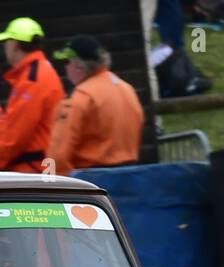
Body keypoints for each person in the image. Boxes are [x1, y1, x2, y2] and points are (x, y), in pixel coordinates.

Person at [47, 36, 144, 175]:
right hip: (129, 178)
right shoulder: (127, 89)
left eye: (67, 61)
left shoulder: (81, 96)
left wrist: (49, 185)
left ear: (79, 66)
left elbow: (58, 155)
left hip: (93, 181)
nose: (65, 67)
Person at [0, 17, 65, 173]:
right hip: (38, 169)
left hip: (31, 173)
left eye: (6, 42)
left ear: (14, 44)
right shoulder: (39, 71)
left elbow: (14, 137)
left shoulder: (32, 79)